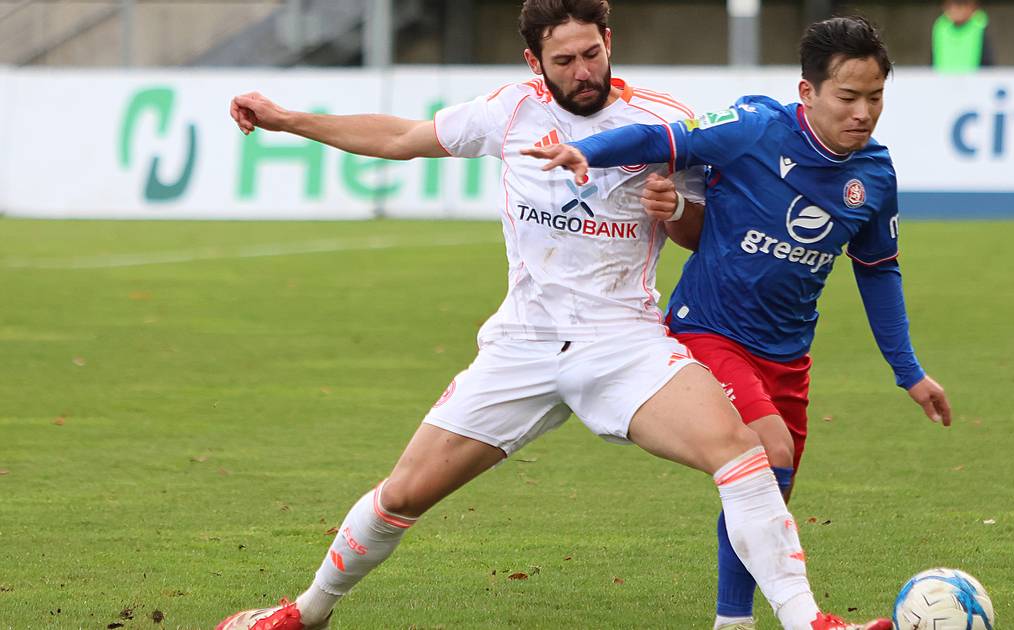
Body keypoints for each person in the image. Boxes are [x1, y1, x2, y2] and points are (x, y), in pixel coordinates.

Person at [217, 2, 891, 629]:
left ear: (609, 43)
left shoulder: (662, 119)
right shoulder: (510, 111)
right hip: (523, 343)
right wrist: (290, 120)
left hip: (624, 343)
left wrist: (676, 210)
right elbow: (403, 137)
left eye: (592, 54)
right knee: (402, 495)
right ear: (533, 63)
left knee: (741, 455)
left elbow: (702, 233)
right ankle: (306, 612)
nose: (583, 71)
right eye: (564, 60)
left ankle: (808, 621)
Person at [525, 15, 951, 630]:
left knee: (768, 493)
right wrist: (582, 150)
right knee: (765, 452)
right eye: (848, 97)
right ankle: (804, 621)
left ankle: (732, 621)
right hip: (709, 331)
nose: (863, 112)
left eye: (875, 98)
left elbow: (878, 271)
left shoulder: (875, 176)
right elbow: (660, 137)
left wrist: (907, 371)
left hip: (788, 354)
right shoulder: (753, 130)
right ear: (809, 93)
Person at [932, 0, 994, 72]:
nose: (956, 9)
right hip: (942, 80)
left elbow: (988, 64)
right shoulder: (941, 28)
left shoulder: (979, 27)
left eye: (962, 4)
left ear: (972, 7)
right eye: (951, 5)